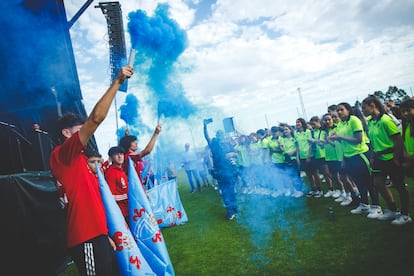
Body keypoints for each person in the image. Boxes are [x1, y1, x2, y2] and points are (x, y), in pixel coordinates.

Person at [49, 65, 133, 276]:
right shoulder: (62, 155)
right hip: (85, 239)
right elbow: (96, 118)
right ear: (66, 133)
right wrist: (117, 82)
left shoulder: (79, 161)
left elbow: (92, 204)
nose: (86, 131)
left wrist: (105, 234)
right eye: (80, 128)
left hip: (98, 237)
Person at [329, 102, 381, 217]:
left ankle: (376, 207)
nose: (339, 112)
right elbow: (341, 143)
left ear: (348, 110)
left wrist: (339, 137)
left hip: (360, 154)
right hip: (349, 157)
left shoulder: (354, 120)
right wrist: (334, 139)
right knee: (358, 182)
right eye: (337, 110)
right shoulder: (341, 124)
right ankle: (364, 205)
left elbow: (358, 139)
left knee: (369, 182)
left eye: (341, 110)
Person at [203, 119, 238, 220]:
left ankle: (235, 209)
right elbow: (207, 137)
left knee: (231, 191)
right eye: (218, 134)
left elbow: (236, 154)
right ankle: (230, 212)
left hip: (230, 171)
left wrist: (232, 154)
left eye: (221, 134)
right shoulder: (214, 144)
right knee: (225, 192)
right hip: (220, 172)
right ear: (217, 136)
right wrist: (205, 127)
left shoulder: (228, 144)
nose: (220, 136)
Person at [104, 146, 130, 224]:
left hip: (127, 209)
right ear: (111, 158)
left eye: (121, 154)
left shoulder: (121, 171)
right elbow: (110, 196)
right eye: (116, 154)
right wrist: (128, 196)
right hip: (121, 212)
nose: (120, 156)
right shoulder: (111, 173)